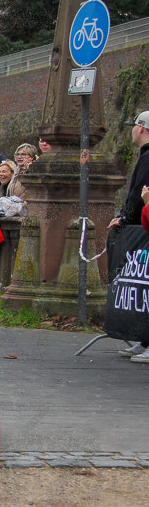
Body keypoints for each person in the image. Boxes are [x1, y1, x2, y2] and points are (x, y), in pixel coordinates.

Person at [108, 110, 149, 361]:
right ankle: (144, 339)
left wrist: (125, 217)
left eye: (134, 126)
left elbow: (139, 193)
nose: (132, 130)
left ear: (141, 128)